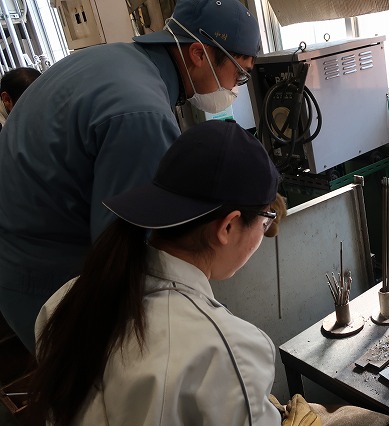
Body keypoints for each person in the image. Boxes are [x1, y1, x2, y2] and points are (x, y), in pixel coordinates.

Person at [0, 0, 262, 353]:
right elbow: (130, 251)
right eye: (239, 74)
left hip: (23, 249)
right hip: (47, 275)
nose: (236, 86)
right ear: (199, 54)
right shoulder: (141, 114)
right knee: (106, 380)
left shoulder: (118, 60)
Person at [30, 119, 283, 425]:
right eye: (265, 221)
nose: (264, 233)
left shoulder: (67, 300)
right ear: (228, 227)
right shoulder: (228, 351)